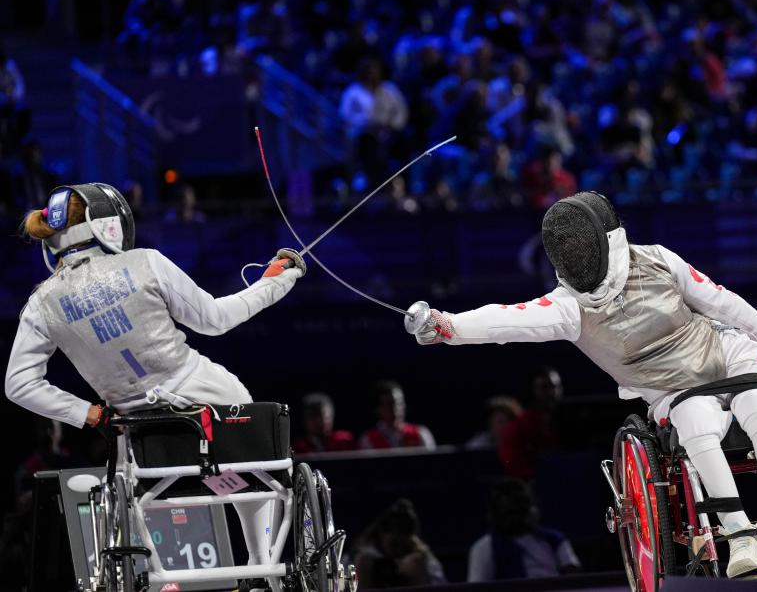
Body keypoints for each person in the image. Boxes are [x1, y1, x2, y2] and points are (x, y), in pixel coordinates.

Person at [409, 192, 757, 577]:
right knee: (695, 423)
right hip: (673, 390)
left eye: (580, 246)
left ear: (605, 239)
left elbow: (720, 300)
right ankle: (740, 536)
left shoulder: (658, 259)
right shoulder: (568, 307)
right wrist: (447, 326)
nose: (575, 256)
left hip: (724, 354)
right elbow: (505, 320)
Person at [4, 182, 305, 567]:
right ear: (105, 223)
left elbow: (18, 384)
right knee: (255, 460)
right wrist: (276, 280)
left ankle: (159, 570)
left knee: (147, 486)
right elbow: (217, 319)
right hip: (208, 400)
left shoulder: (41, 304)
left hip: (136, 431)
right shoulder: (146, 262)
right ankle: (260, 562)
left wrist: (89, 414)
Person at [467, 478, 581, 582]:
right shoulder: (485, 547)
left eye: (521, 510)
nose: (516, 518)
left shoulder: (554, 539)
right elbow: (477, 587)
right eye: (511, 512)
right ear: (496, 513)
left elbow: (573, 575)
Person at [353, 498, 447, 587]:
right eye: (389, 528)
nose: (395, 535)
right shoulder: (362, 553)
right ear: (380, 532)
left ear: (410, 535)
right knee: (362, 561)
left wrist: (419, 576)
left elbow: (440, 584)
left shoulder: (423, 557)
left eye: (402, 529)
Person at [498, 368, 563, 479]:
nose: (552, 392)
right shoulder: (518, 427)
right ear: (533, 390)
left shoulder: (567, 422)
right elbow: (515, 467)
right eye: (544, 387)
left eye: (556, 386)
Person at [358, 380, 436, 450]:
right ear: (378, 409)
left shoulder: (420, 434)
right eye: (389, 404)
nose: (395, 409)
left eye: (399, 403)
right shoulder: (368, 439)